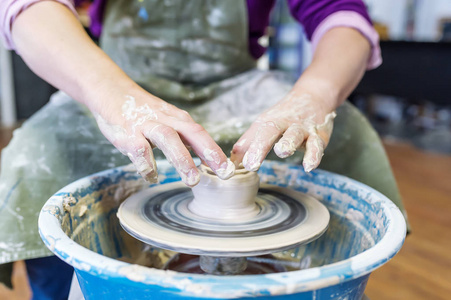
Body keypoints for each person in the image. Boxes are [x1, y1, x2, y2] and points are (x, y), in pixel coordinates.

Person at [0, 0, 408, 298]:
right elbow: (29, 9)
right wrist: (113, 96)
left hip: (237, 86)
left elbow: (341, 14)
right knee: (41, 154)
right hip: (116, 79)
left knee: (345, 133)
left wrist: (315, 95)